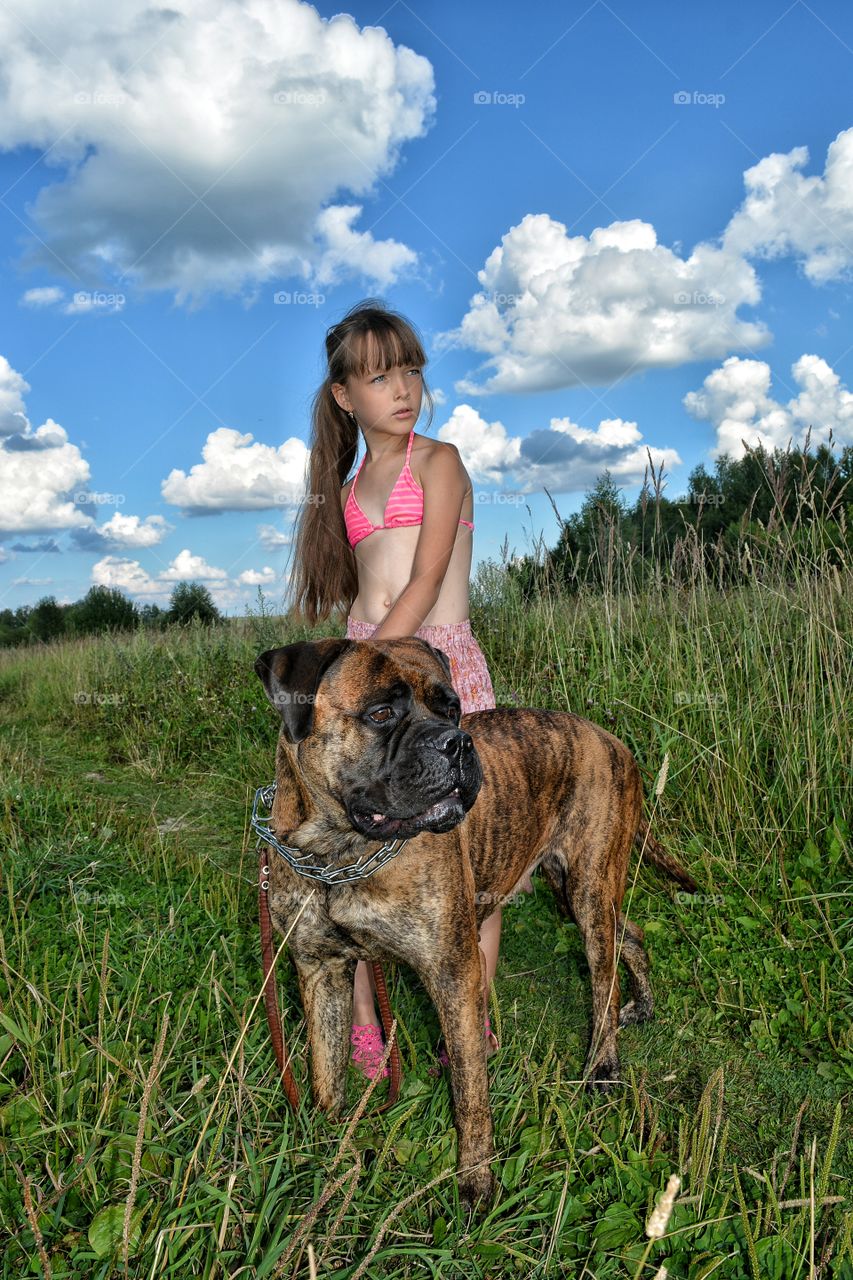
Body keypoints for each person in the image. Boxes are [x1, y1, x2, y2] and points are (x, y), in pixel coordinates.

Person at [290, 297, 515, 1079]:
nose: (403, 388)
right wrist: (351, 670)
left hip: (434, 667)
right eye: (381, 376)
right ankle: (362, 1019)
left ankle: (471, 1022)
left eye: (412, 370)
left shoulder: (438, 461)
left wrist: (386, 658)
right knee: (361, 856)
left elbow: (422, 580)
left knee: (464, 854)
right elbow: (365, 591)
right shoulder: (349, 489)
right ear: (345, 396)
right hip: (374, 676)